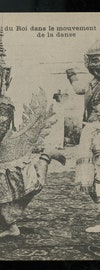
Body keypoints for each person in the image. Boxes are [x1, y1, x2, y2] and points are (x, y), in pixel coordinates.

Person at [0, 28, 65, 238]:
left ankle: (46, 157)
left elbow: (3, 128)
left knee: (8, 188)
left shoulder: (5, 105)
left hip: (2, 150)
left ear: (5, 81)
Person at [66, 39, 100, 233]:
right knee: (93, 175)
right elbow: (79, 89)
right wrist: (70, 75)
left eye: (98, 61)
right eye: (93, 61)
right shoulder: (93, 83)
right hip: (92, 132)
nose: (95, 66)